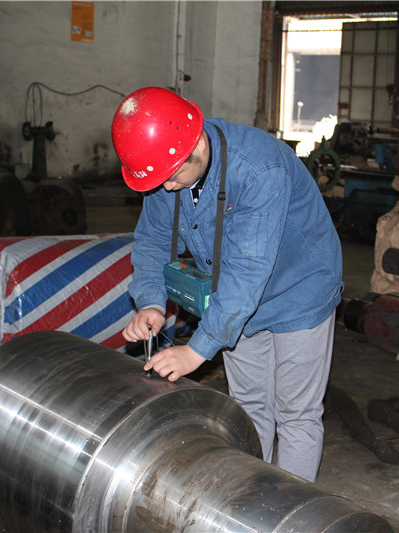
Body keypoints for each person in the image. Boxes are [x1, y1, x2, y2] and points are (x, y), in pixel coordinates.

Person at [111, 86, 343, 482]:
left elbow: (248, 271)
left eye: (171, 178)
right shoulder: (166, 169)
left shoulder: (258, 168)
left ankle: (290, 509)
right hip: (235, 300)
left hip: (300, 289)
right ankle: (250, 499)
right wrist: (151, 302)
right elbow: (152, 239)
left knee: (295, 412)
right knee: (249, 404)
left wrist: (197, 350)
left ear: (196, 145)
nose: (166, 189)